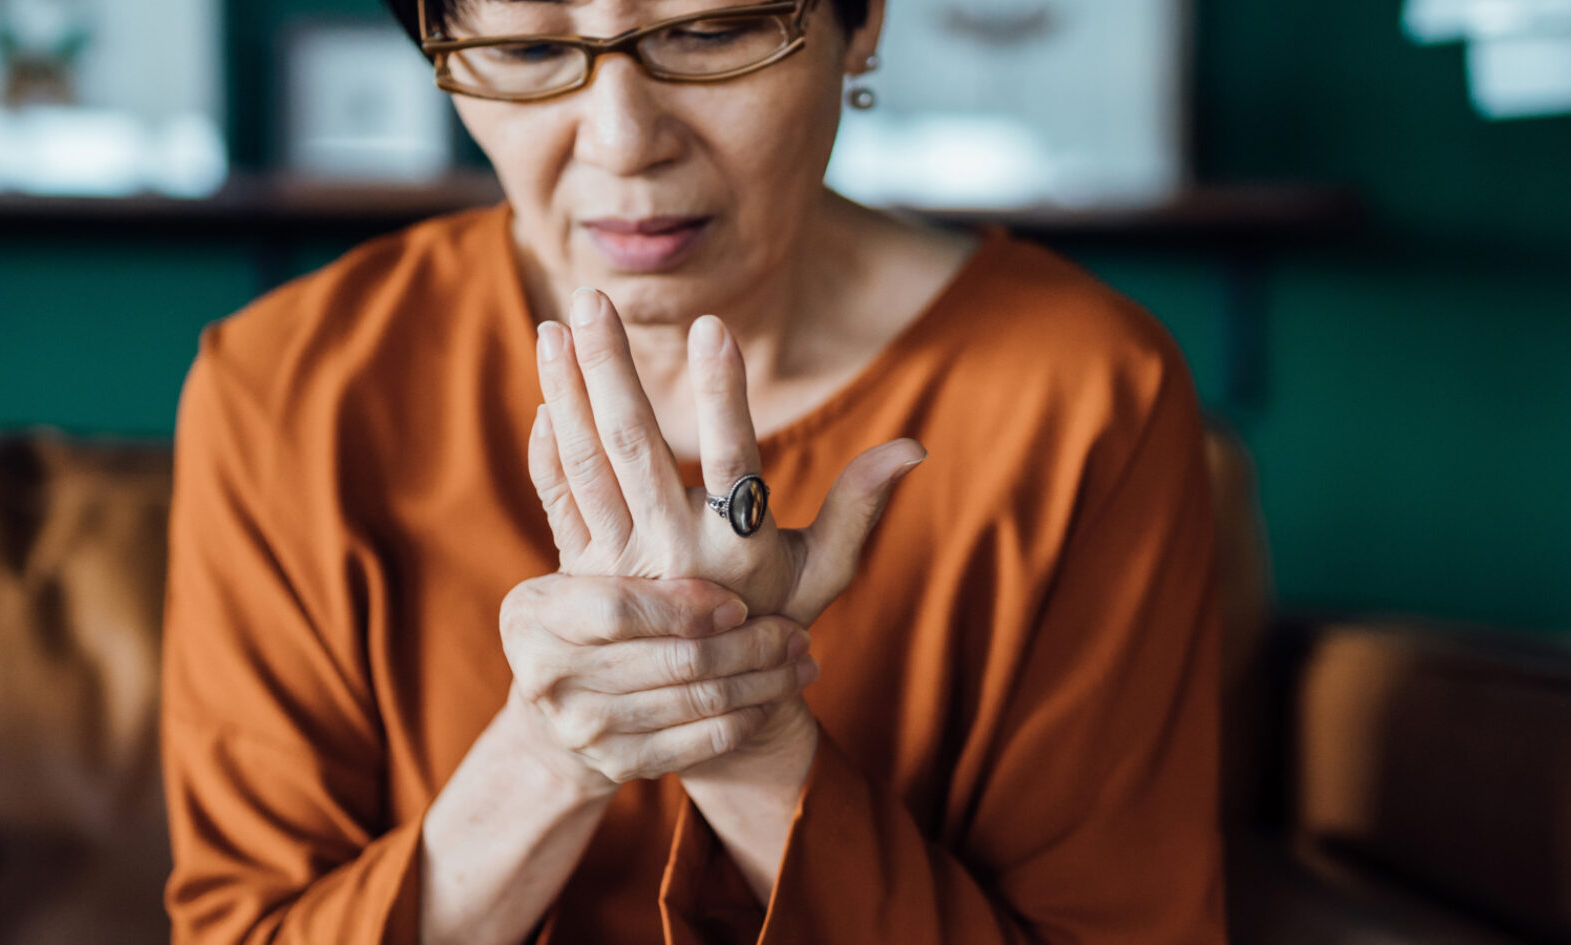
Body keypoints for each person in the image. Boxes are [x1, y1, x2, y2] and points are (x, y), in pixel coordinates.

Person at [159, 0, 1228, 941]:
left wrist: (751, 738)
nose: (623, 144)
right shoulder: (285, 389)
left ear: (862, 25)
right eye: (529, 49)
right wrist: (553, 753)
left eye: (712, 33)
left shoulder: (1085, 394)